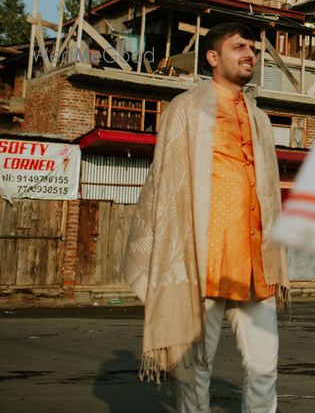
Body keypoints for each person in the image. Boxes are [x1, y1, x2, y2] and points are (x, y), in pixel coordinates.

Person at [124, 21, 289, 413]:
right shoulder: (185, 110)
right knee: (195, 369)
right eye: (238, 47)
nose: (250, 54)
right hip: (204, 261)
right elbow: (166, 187)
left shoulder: (261, 120)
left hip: (255, 265)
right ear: (213, 57)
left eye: (252, 48)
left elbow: (267, 192)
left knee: (265, 368)